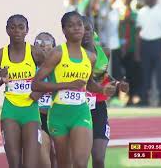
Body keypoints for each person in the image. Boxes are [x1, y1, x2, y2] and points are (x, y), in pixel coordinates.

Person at [31, 11, 116, 168]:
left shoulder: (90, 57)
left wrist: (103, 90)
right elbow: (36, 84)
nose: (76, 28)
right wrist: (67, 85)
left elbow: (88, 84)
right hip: (58, 115)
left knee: (80, 163)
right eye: (71, 25)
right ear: (64, 30)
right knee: (65, 164)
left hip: (81, 113)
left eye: (79, 25)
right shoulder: (57, 53)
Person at [0, 14, 44, 168]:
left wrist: (40, 92)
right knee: (15, 164)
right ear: (7, 30)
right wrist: (0, 82)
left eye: (21, 27)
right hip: (10, 112)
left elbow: (51, 75)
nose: (17, 30)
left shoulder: (35, 52)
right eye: (12, 27)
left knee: (30, 164)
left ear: (27, 30)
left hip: (31, 111)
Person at [82, 16, 129, 168]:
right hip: (76, 107)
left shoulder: (105, 53)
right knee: (78, 160)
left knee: (98, 157)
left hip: (98, 107)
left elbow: (104, 76)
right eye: (81, 29)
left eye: (87, 28)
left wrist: (117, 83)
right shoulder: (69, 55)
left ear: (93, 30)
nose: (84, 32)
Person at [135, 0, 161, 106]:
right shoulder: (141, 12)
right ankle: (144, 99)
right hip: (145, 44)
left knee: (160, 75)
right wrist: (137, 51)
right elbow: (138, 32)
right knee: (145, 74)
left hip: (158, 44)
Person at [34, 32, 57, 168]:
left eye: (47, 44)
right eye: (39, 43)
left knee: (59, 157)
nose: (43, 46)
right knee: (44, 161)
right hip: (39, 117)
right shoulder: (30, 67)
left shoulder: (60, 67)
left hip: (59, 116)